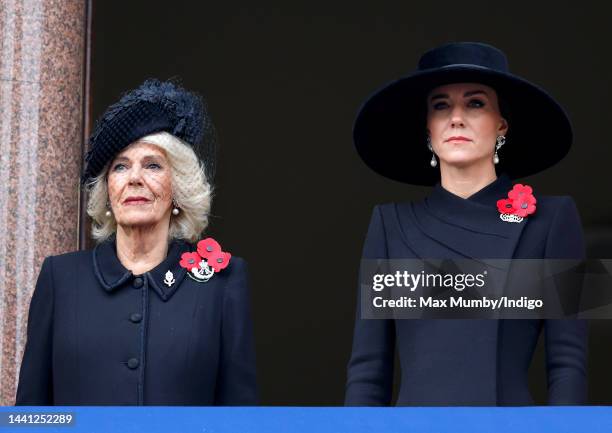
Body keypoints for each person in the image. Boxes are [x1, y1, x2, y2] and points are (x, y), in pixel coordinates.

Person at [345, 42, 587, 406]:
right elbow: (367, 372)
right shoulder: (388, 224)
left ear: (501, 123)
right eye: (440, 106)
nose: (456, 117)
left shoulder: (553, 219)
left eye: (475, 103)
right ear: (428, 128)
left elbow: (569, 364)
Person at [16, 79, 257, 405]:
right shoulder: (61, 279)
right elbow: (32, 416)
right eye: (120, 167)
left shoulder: (221, 284)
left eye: (153, 165)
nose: (134, 178)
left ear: (178, 188)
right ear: (107, 191)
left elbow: (241, 417)